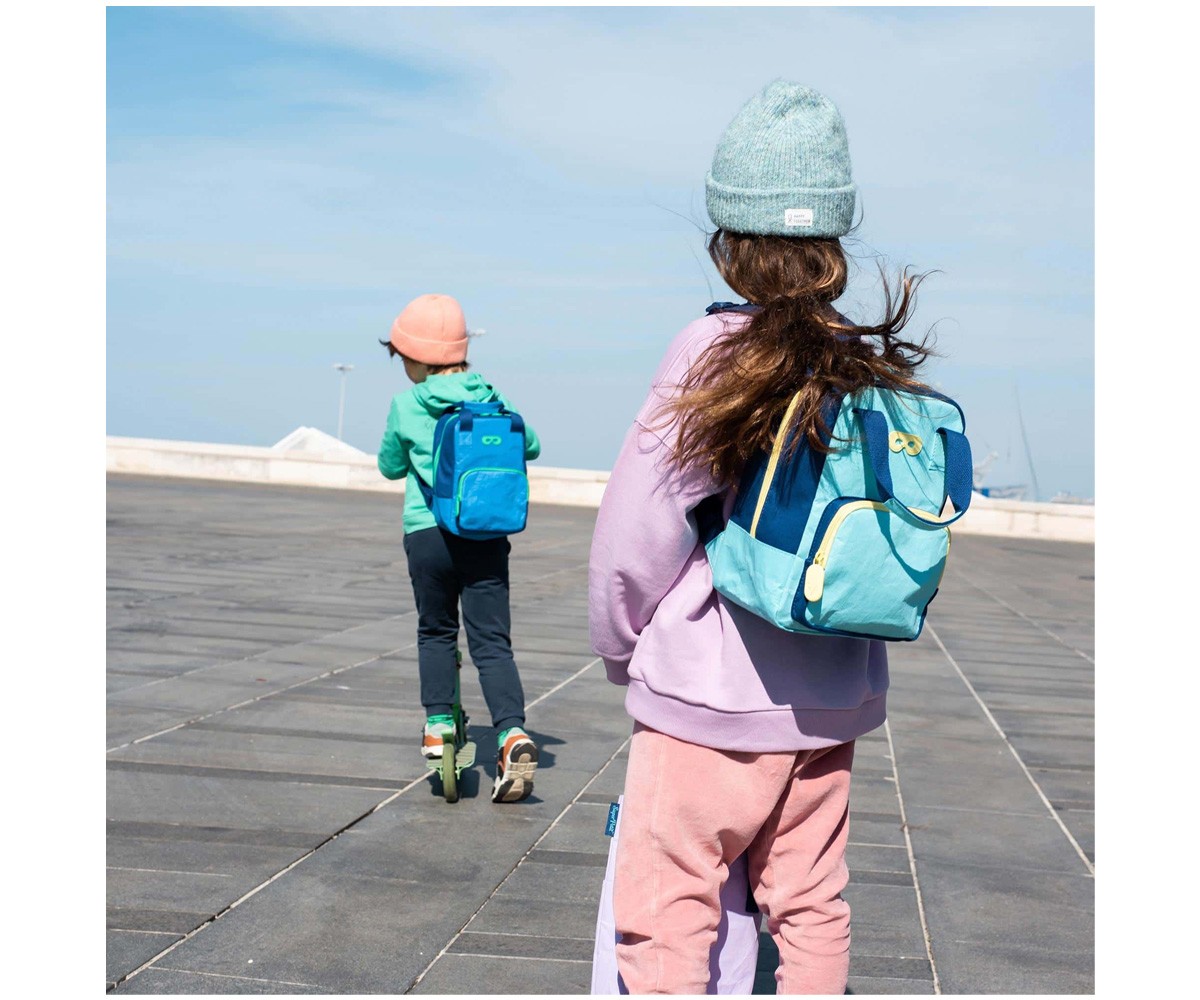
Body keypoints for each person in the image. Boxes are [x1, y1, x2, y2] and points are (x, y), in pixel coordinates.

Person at [588, 81, 936, 994]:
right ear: (833, 241)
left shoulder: (712, 352)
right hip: (832, 693)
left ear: (729, 240)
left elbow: (638, 532)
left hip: (709, 694)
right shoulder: (862, 360)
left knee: (668, 913)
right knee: (812, 906)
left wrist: (629, 651)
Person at [377, 292, 542, 803]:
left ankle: (438, 725)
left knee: (435, 631)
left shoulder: (406, 405)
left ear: (418, 358)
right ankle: (512, 732)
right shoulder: (492, 398)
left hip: (427, 533)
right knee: (491, 642)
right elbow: (530, 444)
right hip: (486, 536)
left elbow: (388, 465)